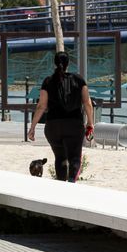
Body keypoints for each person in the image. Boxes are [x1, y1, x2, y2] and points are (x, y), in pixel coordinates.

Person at [29, 51, 94, 183]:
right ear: (68, 63)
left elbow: (41, 106)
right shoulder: (79, 80)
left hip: (53, 127)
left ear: (54, 63)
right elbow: (87, 103)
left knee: (60, 157)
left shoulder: (48, 81)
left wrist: (33, 127)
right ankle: (71, 183)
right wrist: (90, 123)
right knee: (75, 157)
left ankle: (60, 184)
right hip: (74, 125)